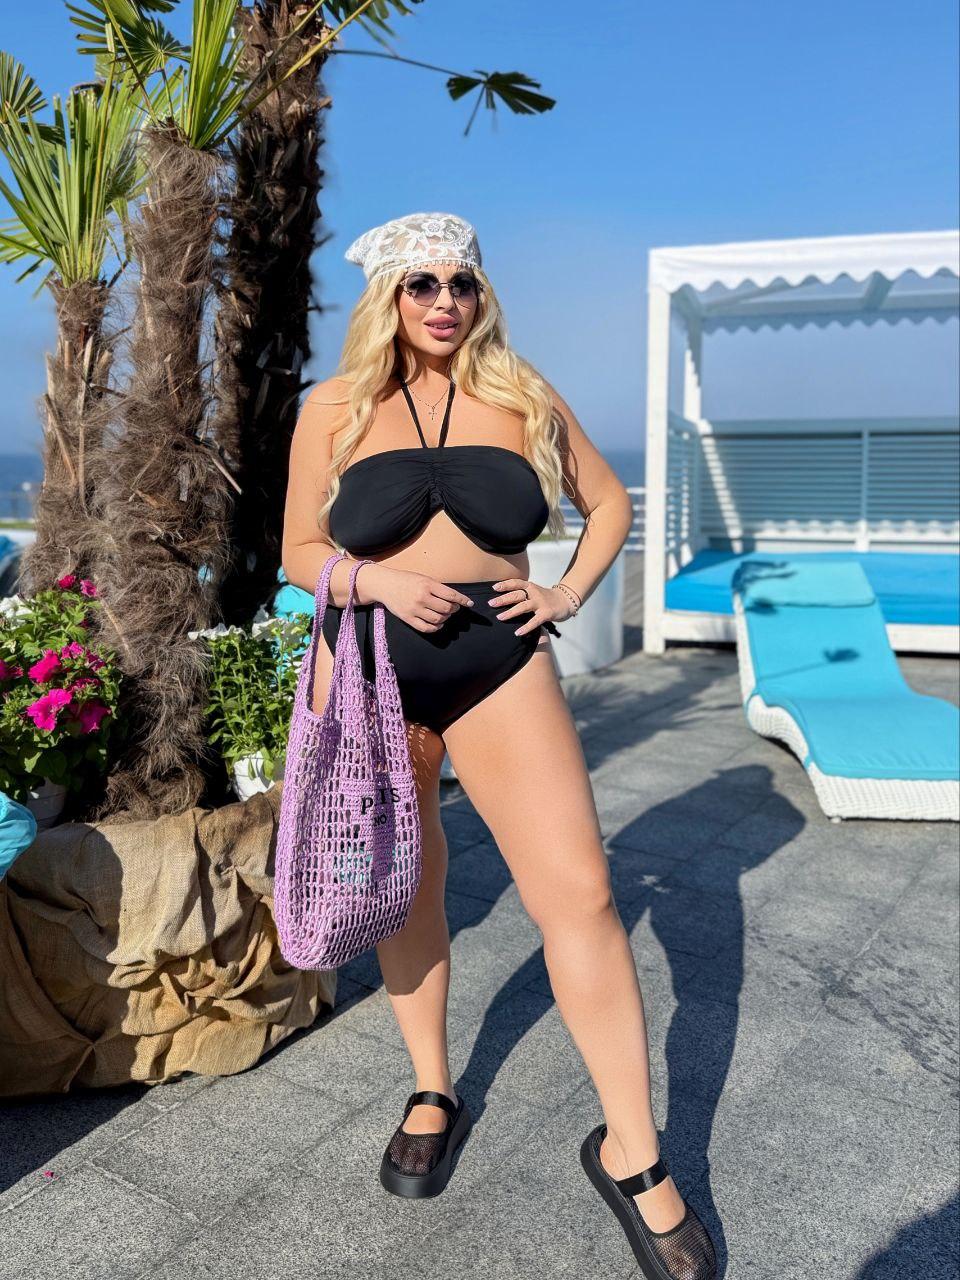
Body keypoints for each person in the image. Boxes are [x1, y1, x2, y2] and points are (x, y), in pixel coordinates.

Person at [280, 212, 717, 1279]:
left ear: (481, 293)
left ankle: (633, 1150)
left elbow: (607, 505)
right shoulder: (333, 406)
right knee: (408, 878)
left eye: (462, 283)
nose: (445, 301)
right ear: (388, 296)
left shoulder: (521, 392)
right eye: (422, 284)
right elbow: (297, 550)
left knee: (582, 894)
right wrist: (374, 579)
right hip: (369, 663)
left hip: (500, 664)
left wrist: (564, 592)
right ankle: (433, 1087)